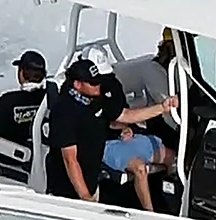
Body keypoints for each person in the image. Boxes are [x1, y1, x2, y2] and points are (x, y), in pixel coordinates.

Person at [46, 58, 177, 202]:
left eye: (99, 81)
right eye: (93, 83)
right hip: (66, 194)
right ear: (77, 84)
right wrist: (85, 197)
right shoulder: (64, 112)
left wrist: (162, 107)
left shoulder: (97, 100)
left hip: (91, 183)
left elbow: (127, 115)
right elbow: (70, 160)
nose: (98, 86)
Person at [0, 50, 53, 182]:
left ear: (22, 74)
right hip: (44, 156)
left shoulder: (7, 101)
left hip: (14, 157)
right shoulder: (50, 97)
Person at [103, 122, 175, 211]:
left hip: (136, 134)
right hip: (108, 146)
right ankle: (150, 212)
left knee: (173, 158)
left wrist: (125, 127)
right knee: (140, 169)